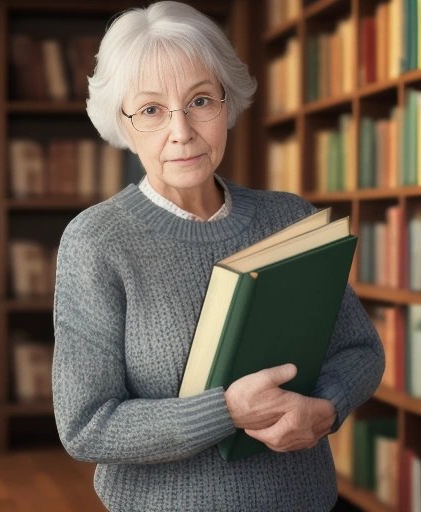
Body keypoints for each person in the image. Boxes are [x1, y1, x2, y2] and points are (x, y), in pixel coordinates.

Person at [52, 2, 385, 511]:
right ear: (121, 123)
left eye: (200, 100)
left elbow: (360, 350)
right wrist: (226, 411)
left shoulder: (290, 219)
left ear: (227, 104)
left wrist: (327, 406)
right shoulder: (97, 241)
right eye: (151, 110)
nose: (181, 131)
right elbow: (86, 426)